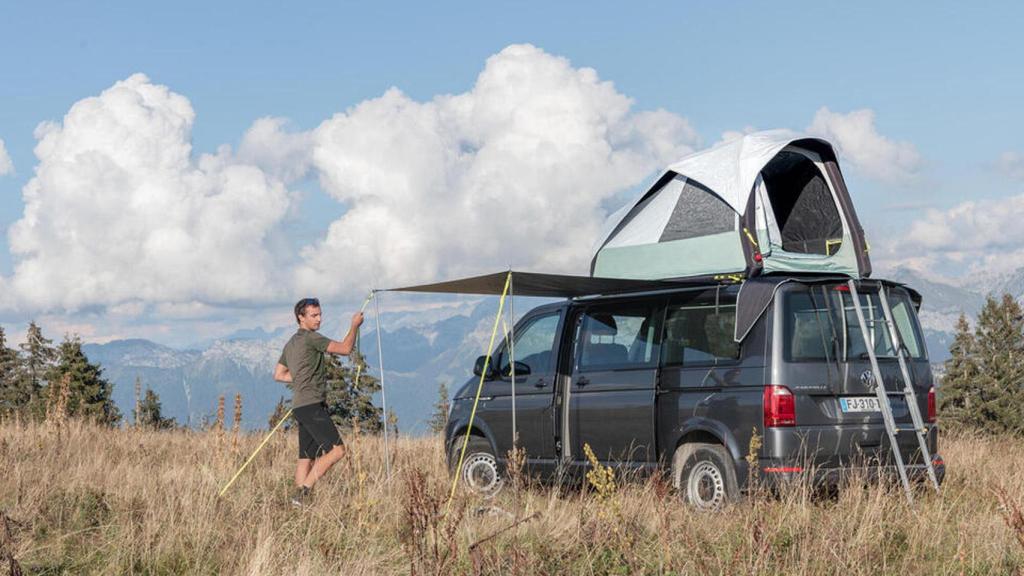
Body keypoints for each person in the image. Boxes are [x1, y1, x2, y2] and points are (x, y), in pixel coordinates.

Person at [274, 297, 364, 507]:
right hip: (313, 405)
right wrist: (354, 326)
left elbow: (279, 374)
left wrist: (302, 378)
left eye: (320, 314)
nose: (318, 319)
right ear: (301, 318)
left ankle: (297, 507)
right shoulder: (311, 338)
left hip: (300, 406)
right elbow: (345, 349)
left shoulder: (291, 343)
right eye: (313, 316)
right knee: (337, 450)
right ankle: (303, 492)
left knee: (306, 456)